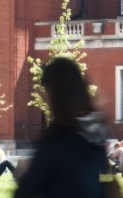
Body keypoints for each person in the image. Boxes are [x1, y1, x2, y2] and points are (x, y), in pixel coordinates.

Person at [14, 57, 114, 198]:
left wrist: (23, 176)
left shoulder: (55, 142)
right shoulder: (96, 135)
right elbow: (105, 177)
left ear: (54, 93)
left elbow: (26, 192)